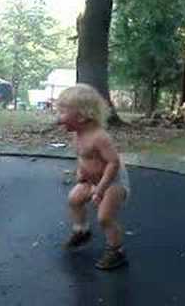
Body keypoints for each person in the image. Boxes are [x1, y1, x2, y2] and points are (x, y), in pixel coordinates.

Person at [57, 84, 130, 270]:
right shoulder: (78, 134)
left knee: (105, 217)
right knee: (74, 198)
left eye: (63, 112)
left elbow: (113, 163)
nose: (58, 117)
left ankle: (116, 250)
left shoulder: (99, 137)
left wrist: (101, 189)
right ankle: (82, 230)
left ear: (81, 116)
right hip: (93, 180)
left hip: (113, 182)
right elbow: (83, 156)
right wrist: (81, 172)